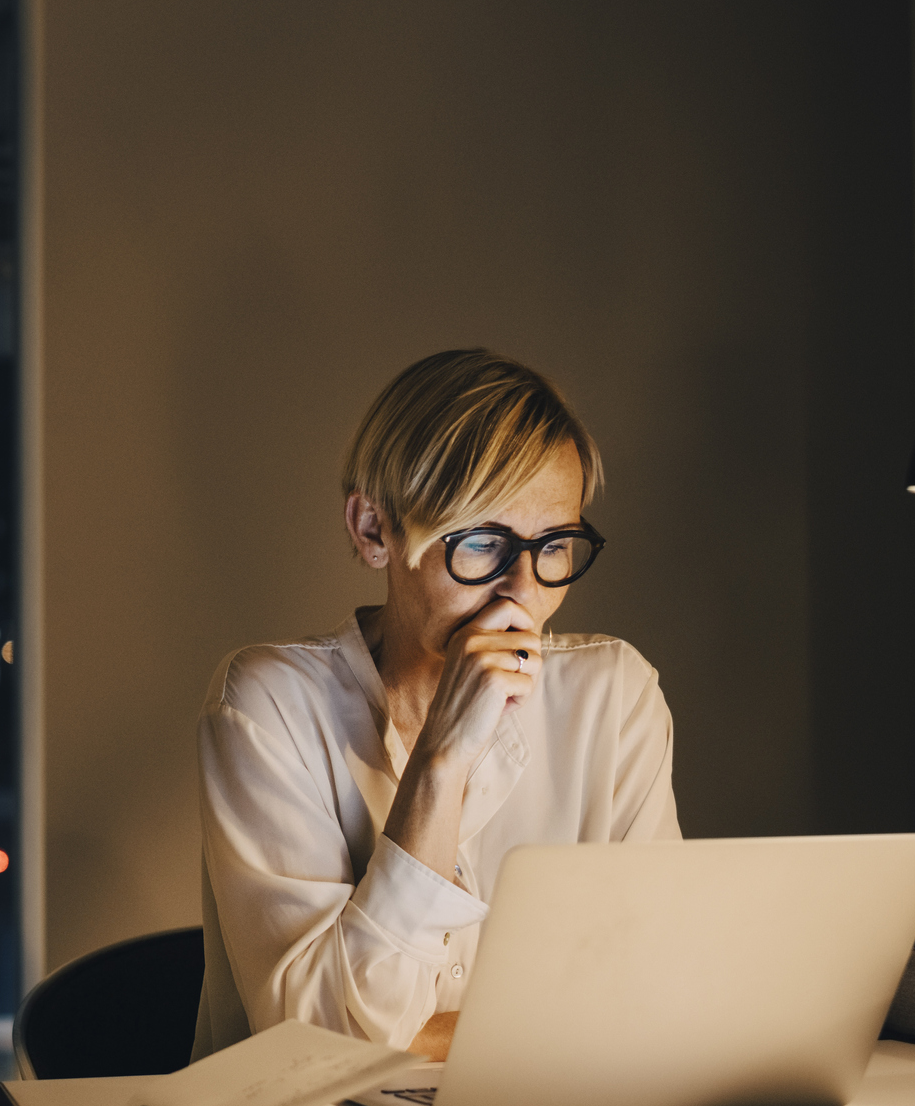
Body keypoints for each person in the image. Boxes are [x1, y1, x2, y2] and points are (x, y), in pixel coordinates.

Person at [192, 348, 678, 1063]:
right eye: (482, 543)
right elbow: (320, 1048)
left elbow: (653, 998)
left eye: (554, 546)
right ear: (372, 531)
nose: (521, 593)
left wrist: (430, 1039)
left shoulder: (612, 694)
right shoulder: (266, 703)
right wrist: (441, 761)